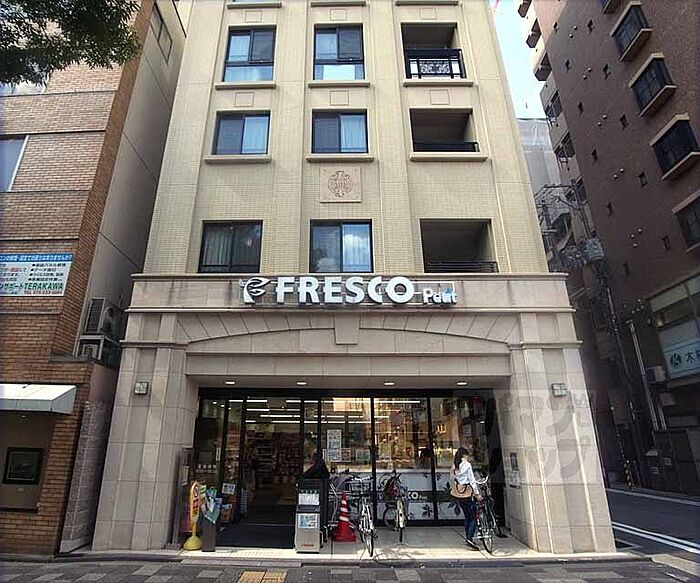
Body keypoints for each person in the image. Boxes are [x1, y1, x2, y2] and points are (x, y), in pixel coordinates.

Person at [453, 447, 481, 550]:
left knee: (467, 516)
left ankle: (468, 537)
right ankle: (470, 538)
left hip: (459, 493)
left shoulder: (455, 465)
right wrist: (477, 493)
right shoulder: (467, 465)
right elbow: (472, 480)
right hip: (467, 492)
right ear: (464, 455)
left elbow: (452, 478)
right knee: (473, 517)